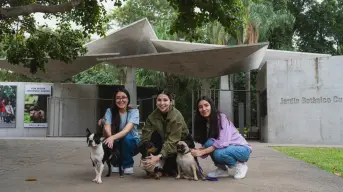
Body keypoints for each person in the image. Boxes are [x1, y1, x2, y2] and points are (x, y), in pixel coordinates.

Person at [191, 96, 252, 179]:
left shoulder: (221, 117)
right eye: (200, 107)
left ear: (211, 106)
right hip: (228, 148)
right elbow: (208, 144)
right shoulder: (204, 123)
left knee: (218, 153)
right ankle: (222, 170)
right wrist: (198, 151)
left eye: (206, 105)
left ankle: (241, 165)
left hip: (242, 149)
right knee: (209, 143)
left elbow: (223, 141)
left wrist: (203, 151)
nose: (204, 109)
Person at [140, 90, 193, 176]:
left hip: (180, 143)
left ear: (171, 102)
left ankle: (164, 164)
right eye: (159, 100)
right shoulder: (152, 116)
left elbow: (173, 141)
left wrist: (158, 157)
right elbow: (145, 136)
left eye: (165, 100)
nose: (162, 103)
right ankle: (155, 163)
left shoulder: (176, 116)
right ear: (156, 102)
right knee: (146, 146)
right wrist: (148, 151)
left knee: (170, 170)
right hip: (164, 142)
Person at [102, 87, 140, 175]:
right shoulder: (109, 111)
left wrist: (112, 137)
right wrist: (110, 137)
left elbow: (126, 130)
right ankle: (116, 162)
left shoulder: (134, 112)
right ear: (114, 100)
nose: (121, 100)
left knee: (125, 138)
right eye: (118, 98)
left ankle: (128, 165)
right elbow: (107, 127)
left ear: (128, 99)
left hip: (132, 143)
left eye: (123, 97)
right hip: (116, 140)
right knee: (110, 139)